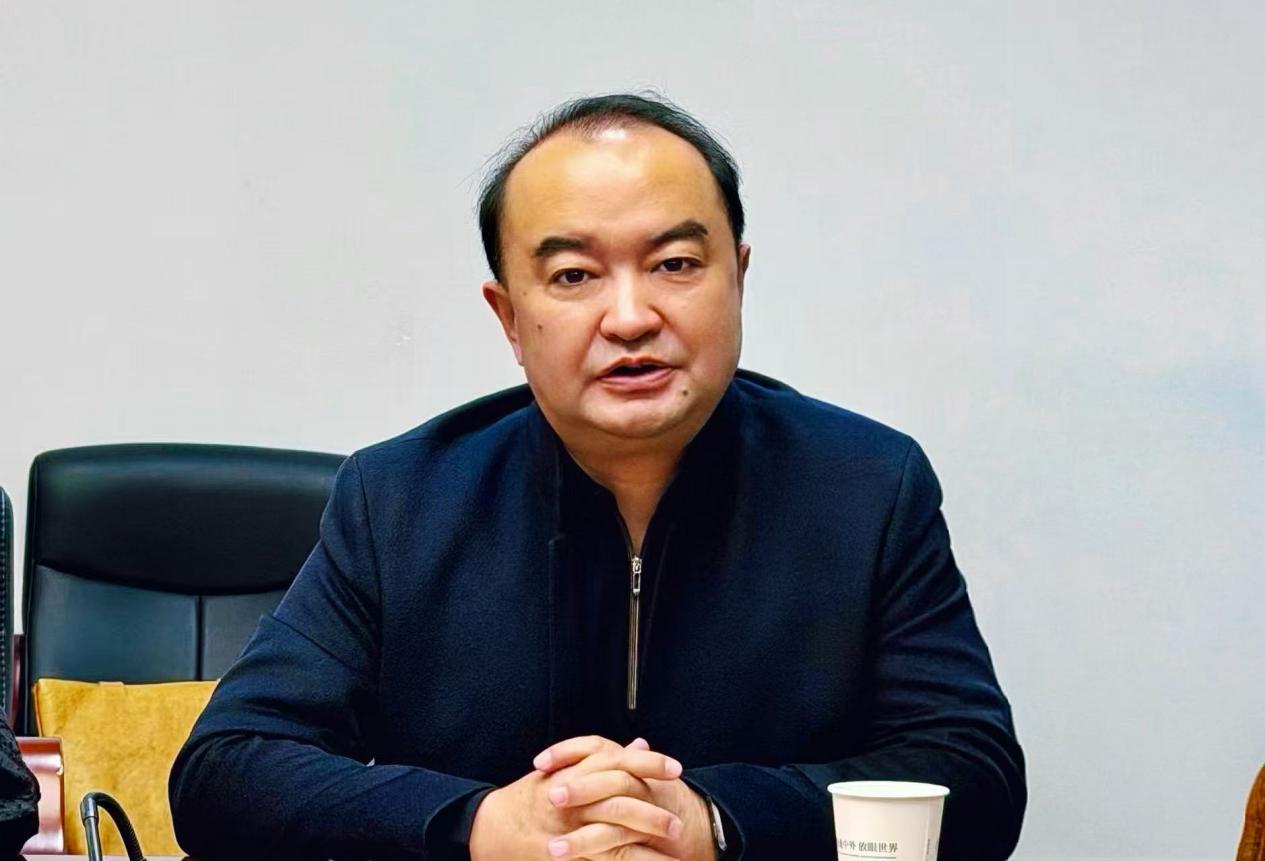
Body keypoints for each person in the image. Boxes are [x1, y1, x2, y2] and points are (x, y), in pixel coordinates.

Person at [170, 93, 1026, 860]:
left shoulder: (866, 487)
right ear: (509, 317)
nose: (629, 317)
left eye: (675, 264)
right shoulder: (398, 500)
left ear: (738, 278)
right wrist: (482, 826)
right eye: (574, 275)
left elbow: (973, 774)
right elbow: (225, 771)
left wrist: (712, 819)